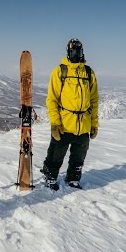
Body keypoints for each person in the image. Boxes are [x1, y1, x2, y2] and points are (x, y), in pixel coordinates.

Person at [40, 38, 99, 191]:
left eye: (78, 51)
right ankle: (50, 177)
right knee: (56, 154)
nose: (76, 54)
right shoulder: (60, 71)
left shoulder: (88, 72)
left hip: (83, 123)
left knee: (79, 156)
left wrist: (94, 124)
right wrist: (55, 123)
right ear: (68, 52)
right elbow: (52, 99)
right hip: (64, 123)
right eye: (73, 51)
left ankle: (73, 178)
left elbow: (94, 101)